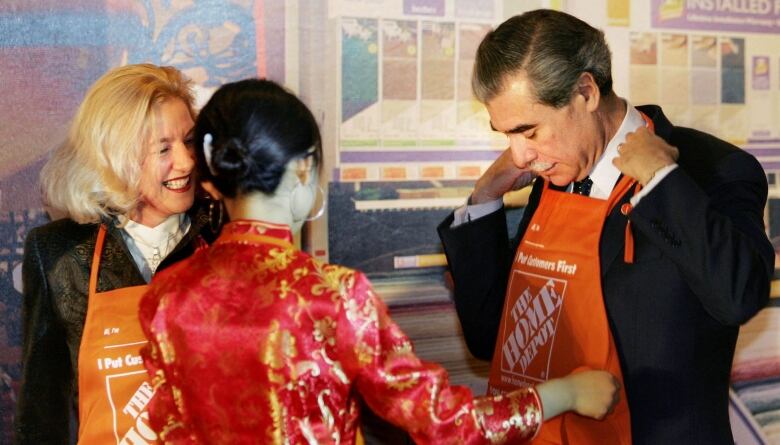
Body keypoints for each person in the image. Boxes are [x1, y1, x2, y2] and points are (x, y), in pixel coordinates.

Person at [138, 78, 621, 445]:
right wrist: (566, 394)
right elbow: (443, 422)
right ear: (305, 168)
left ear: (210, 181)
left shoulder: (166, 293)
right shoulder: (332, 297)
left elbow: (166, 426)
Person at [437, 9, 774, 445]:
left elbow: (739, 297)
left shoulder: (712, 169)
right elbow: (492, 339)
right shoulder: (552, 174)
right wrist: (485, 197)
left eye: (529, 131)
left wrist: (661, 182)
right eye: (506, 135)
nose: (519, 156)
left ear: (585, 91)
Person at [15, 63, 220, 444]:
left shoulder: (223, 239)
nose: (187, 161)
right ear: (116, 158)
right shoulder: (60, 253)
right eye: (163, 149)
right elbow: (43, 413)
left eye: (189, 141)